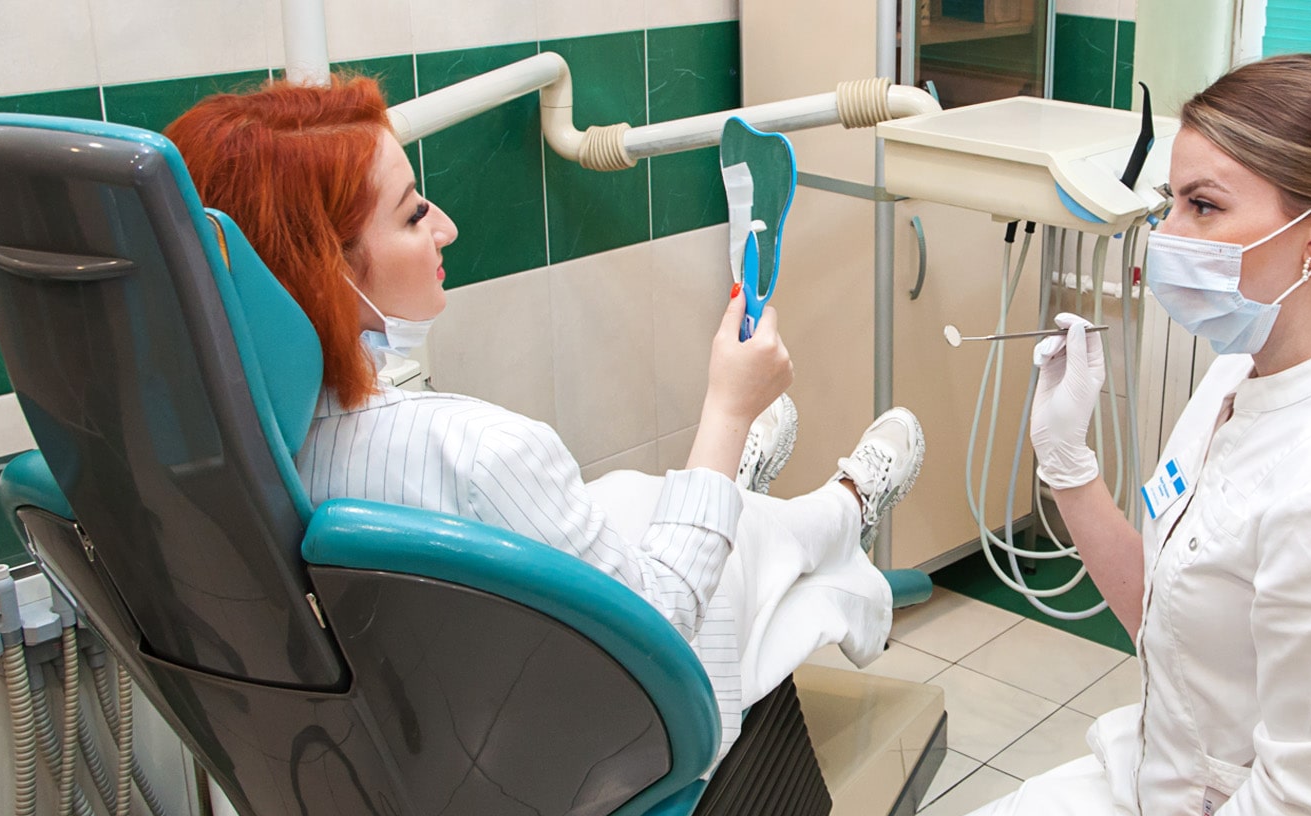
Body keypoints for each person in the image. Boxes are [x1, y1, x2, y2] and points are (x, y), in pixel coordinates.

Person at [835, 53, 1311, 816]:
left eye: (1202, 207)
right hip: (1161, 804)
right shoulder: (1238, 376)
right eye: (1169, 204)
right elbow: (1163, 617)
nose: (1165, 237)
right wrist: (1068, 464)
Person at [165, 75, 924, 761]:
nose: (445, 227)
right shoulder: (484, 453)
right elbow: (661, 625)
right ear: (321, 272)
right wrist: (729, 407)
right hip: (603, 743)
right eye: (414, 214)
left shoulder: (215, 459)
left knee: (627, 493)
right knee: (753, 543)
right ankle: (846, 504)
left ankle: (737, 481)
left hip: (435, 735)